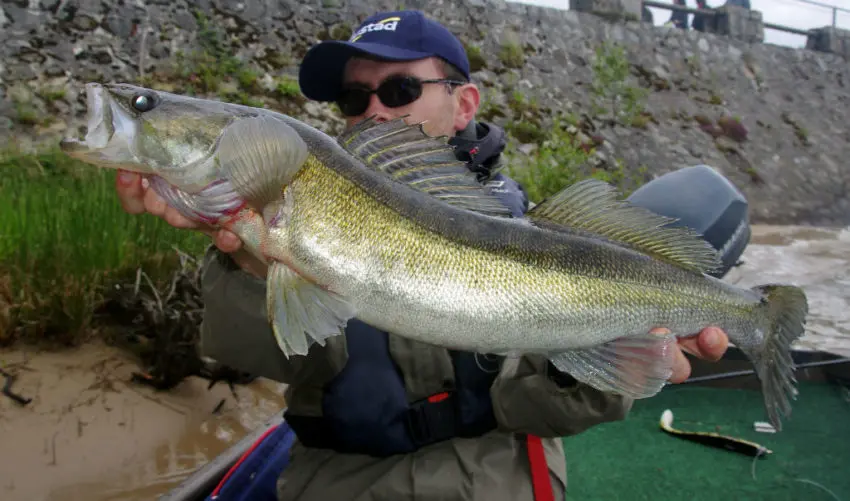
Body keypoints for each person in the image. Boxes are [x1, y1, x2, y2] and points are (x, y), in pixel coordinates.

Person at [114, 10, 730, 500]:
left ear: (464, 104)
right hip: (331, 483)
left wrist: (614, 353)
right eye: (354, 100)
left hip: (488, 478)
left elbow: (541, 408)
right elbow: (268, 358)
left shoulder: (533, 234)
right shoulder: (284, 208)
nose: (374, 110)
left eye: (401, 88)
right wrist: (252, 260)